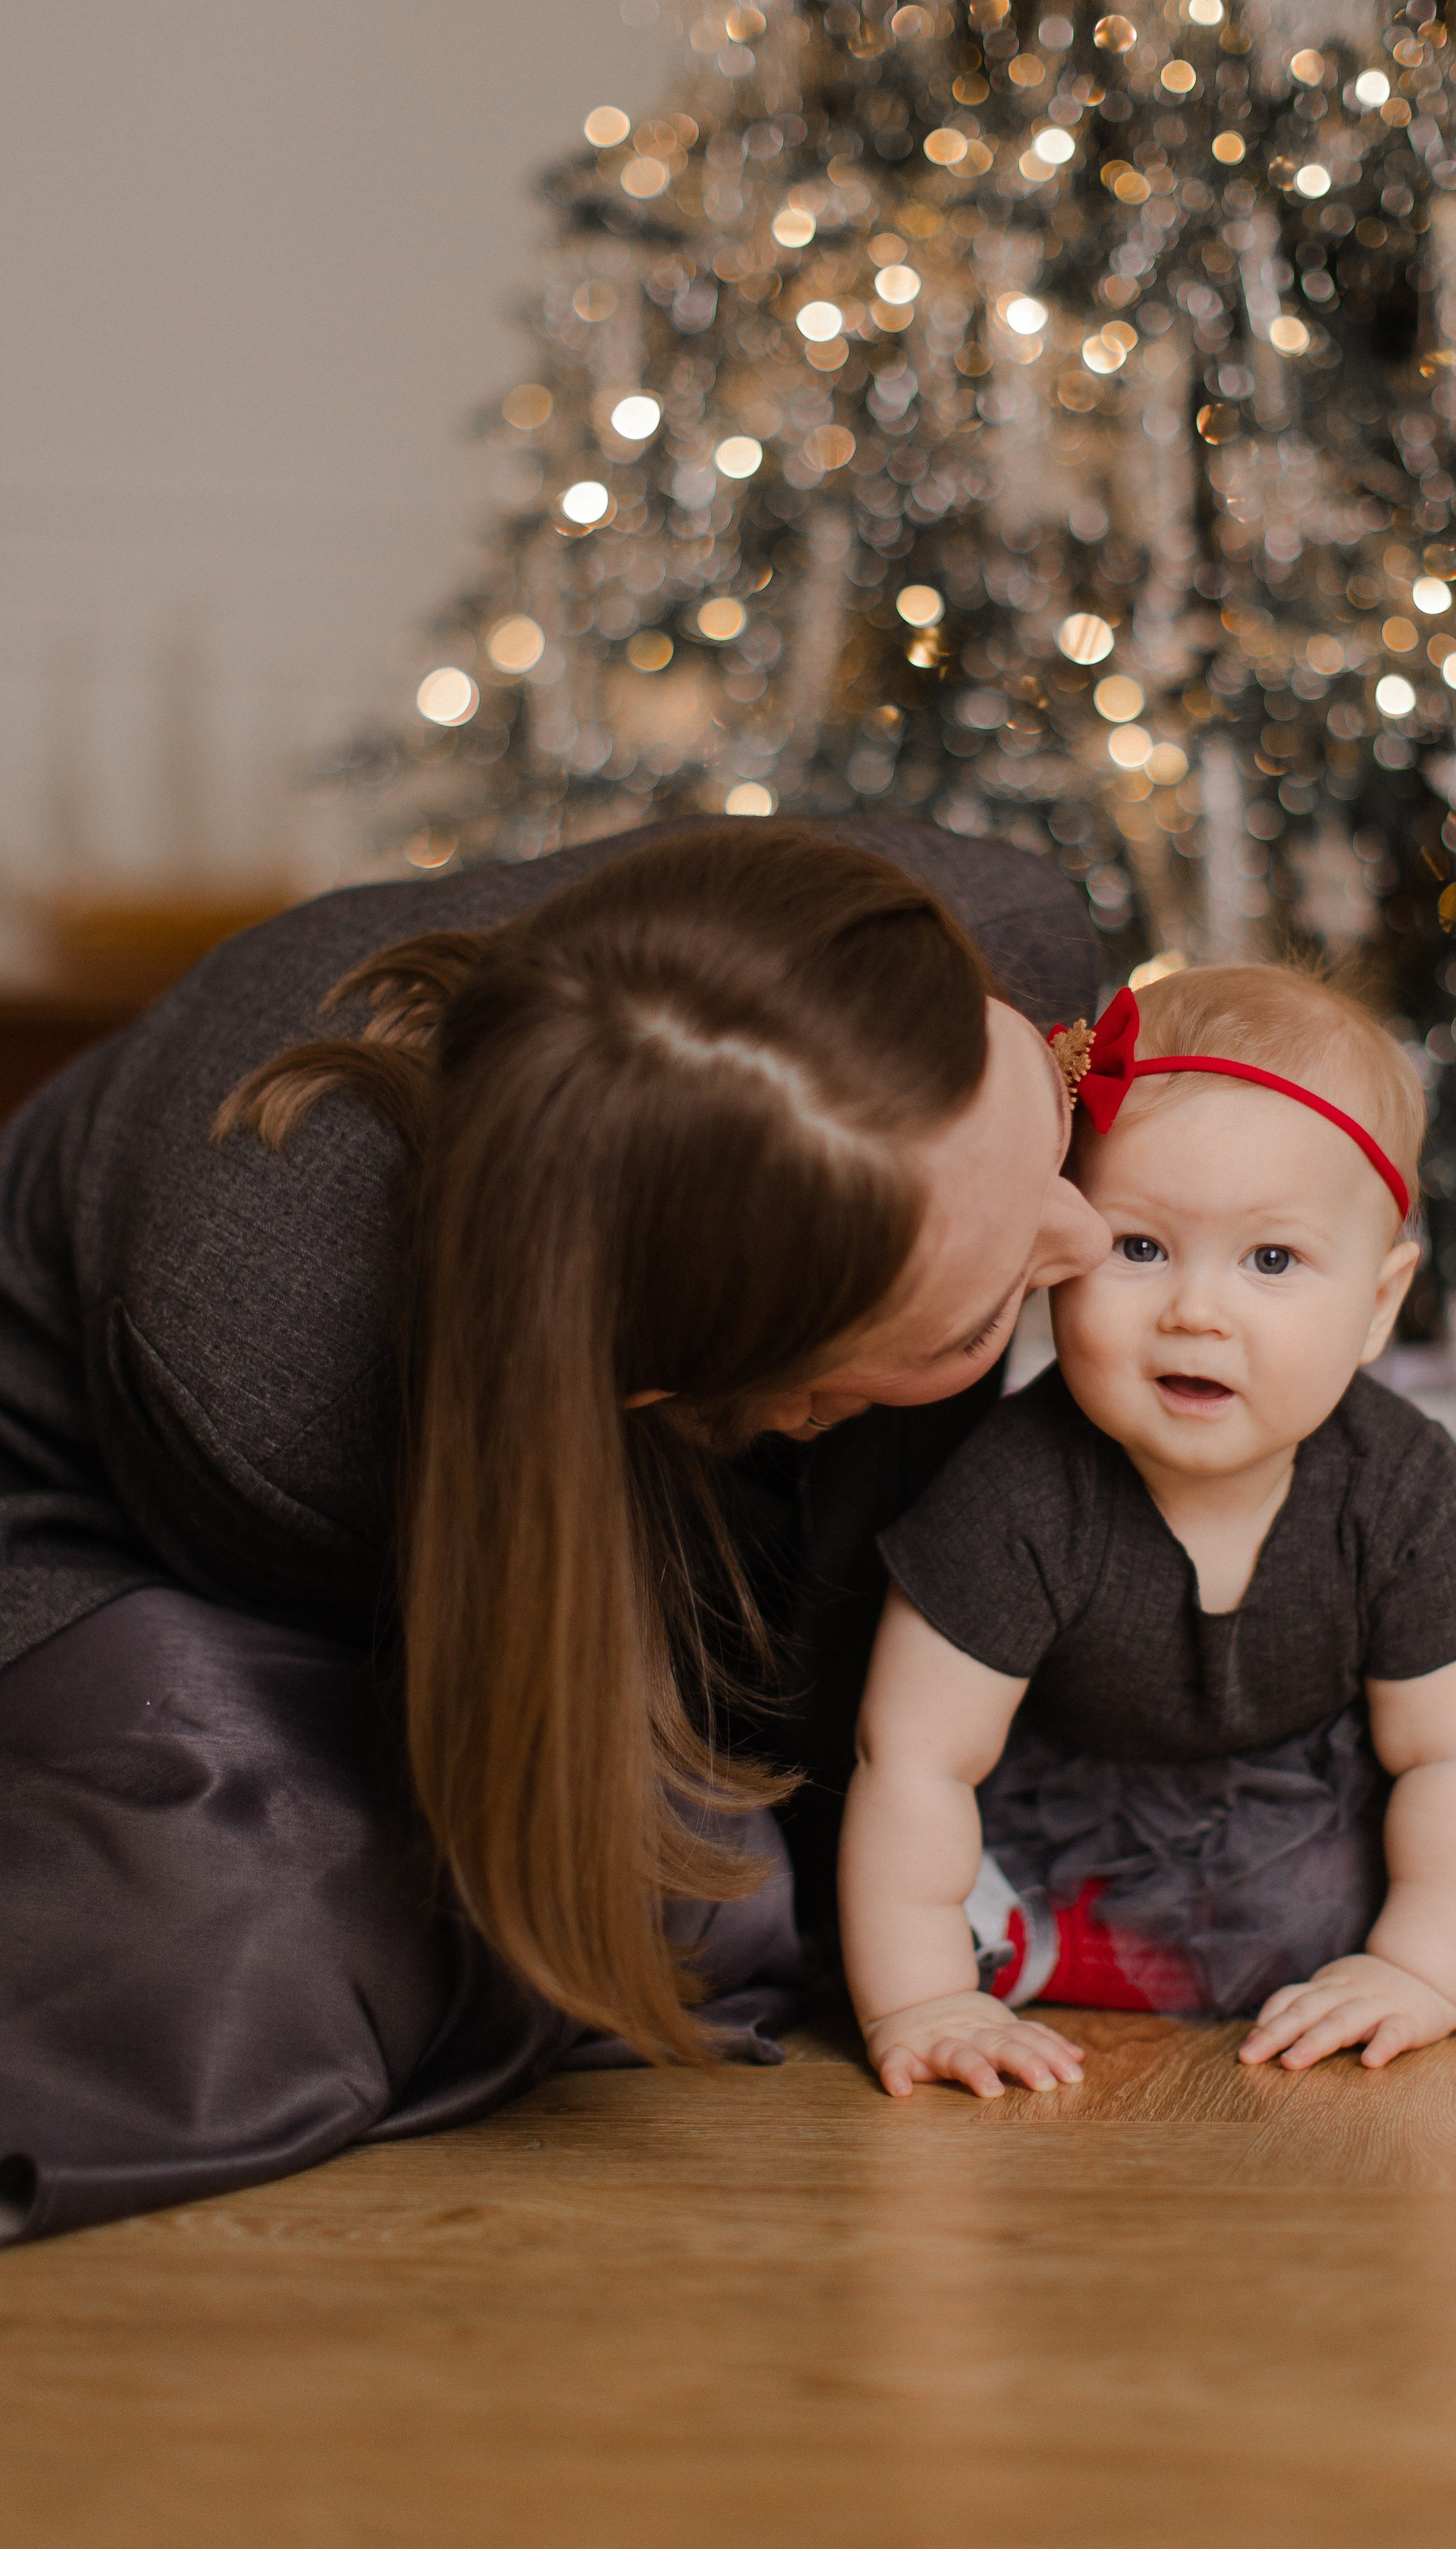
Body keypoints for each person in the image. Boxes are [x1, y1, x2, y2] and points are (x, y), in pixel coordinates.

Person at [0, 816, 1109, 2243]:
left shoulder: (991, 942)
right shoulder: (271, 1392)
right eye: (979, 1317)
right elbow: (521, 1694)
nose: (1083, 1245)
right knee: (311, 1911)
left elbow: (862, 1550)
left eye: (1052, 1115)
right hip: (85, 1522)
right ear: (697, 1389)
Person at [839, 963, 1456, 2102]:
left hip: (1307, 1800)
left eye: (1271, 1261)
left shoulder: (1401, 1485)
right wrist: (921, 1999)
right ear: (1058, 1252)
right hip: (1073, 1794)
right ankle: (1033, 1944)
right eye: (1140, 1248)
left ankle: (1227, 1956)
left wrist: (1417, 1971)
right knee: (933, 1868)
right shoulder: (1017, 1490)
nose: (1196, 1310)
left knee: (1348, 1892)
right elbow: (917, 1759)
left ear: (1378, 1308)